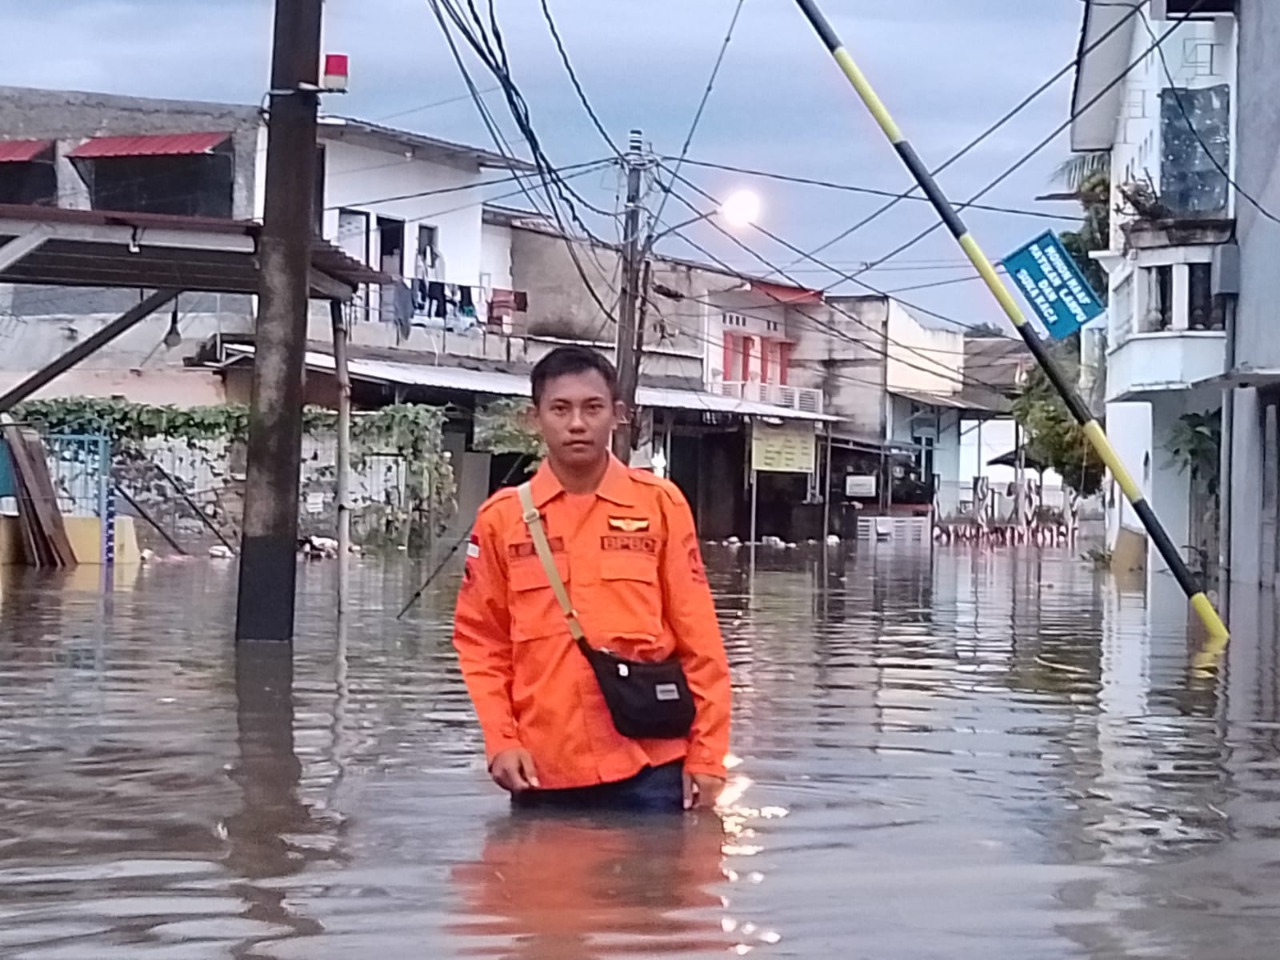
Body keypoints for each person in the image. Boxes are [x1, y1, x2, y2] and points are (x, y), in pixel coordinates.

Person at [452, 345, 731, 813]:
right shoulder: (501, 519)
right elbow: (482, 642)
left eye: (592, 408)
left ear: (617, 415)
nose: (577, 423)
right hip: (543, 767)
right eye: (560, 409)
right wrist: (501, 741)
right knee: (537, 886)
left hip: (652, 765)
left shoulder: (659, 505)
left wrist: (708, 755)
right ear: (533, 418)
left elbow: (700, 640)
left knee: (660, 885)